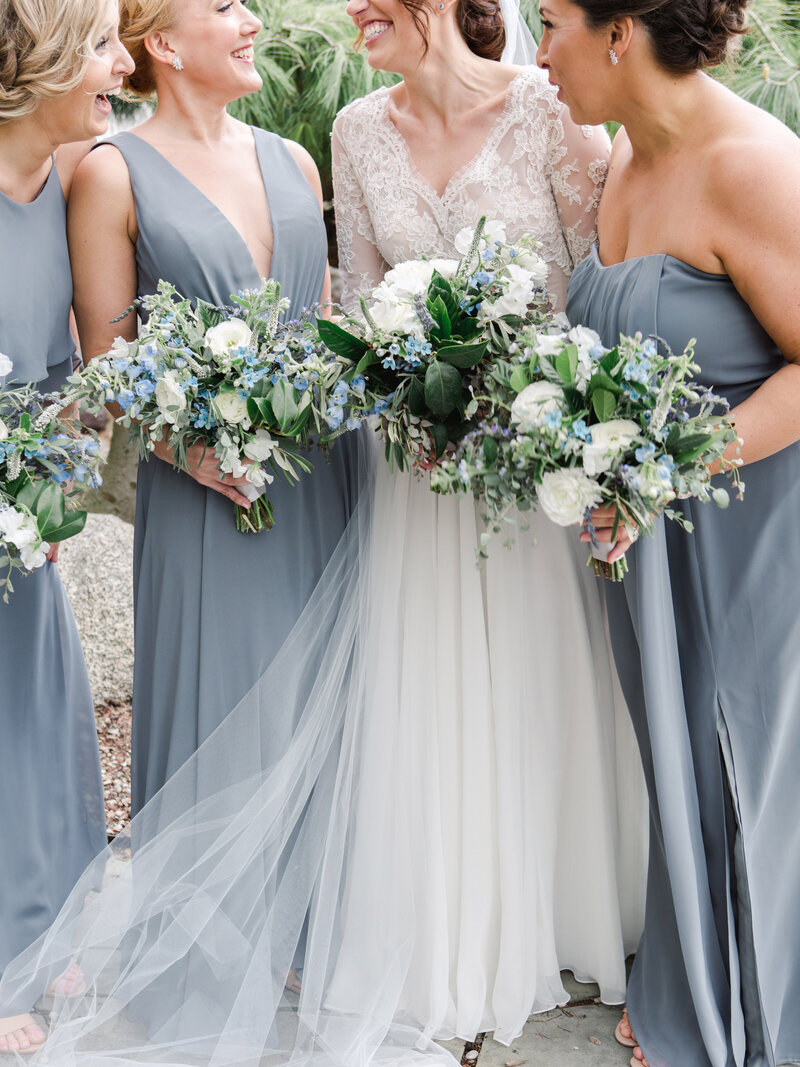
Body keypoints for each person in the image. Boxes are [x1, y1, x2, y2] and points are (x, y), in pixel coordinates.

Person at [329, 0, 647, 1045]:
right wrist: (406, 407)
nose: (352, 10)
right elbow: (360, 301)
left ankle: (562, 905)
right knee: (432, 687)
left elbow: (597, 285)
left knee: (536, 675)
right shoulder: (353, 131)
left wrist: (544, 411)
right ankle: (451, 917)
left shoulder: (550, 110)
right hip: (418, 475)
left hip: (533, 463)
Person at [544, 0, 800, 1063]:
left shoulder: (752, 166)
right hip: (644, 531)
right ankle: (694, 971)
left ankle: (751, 1004)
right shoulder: (619, 158)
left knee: (744, 751)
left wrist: (663, 473)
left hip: (749, 531)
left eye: (550, 20)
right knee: (679, 746)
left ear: (620, 31)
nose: (537, 47)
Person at [0, 0, 132, 1054]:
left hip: (19, 519)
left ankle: (33, 937)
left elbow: (67, 377)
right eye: (98, 43)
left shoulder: (67, 187)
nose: (120, 63)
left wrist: (46, 483)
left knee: (33, 717)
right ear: (34, 59)